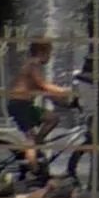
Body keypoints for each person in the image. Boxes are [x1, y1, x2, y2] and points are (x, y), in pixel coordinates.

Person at [6, 39, 71, 172]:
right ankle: (34, 171)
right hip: (19, 105)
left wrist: (67, 103)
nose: (50, 56)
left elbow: (45, 91)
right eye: (49, 53)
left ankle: (38, 143)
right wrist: (64, 90)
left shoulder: (35, 66)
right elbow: (43, 84)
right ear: (41, 52)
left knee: (52, 118)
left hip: (26, 105)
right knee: (30, 139)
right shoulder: (33, 64)